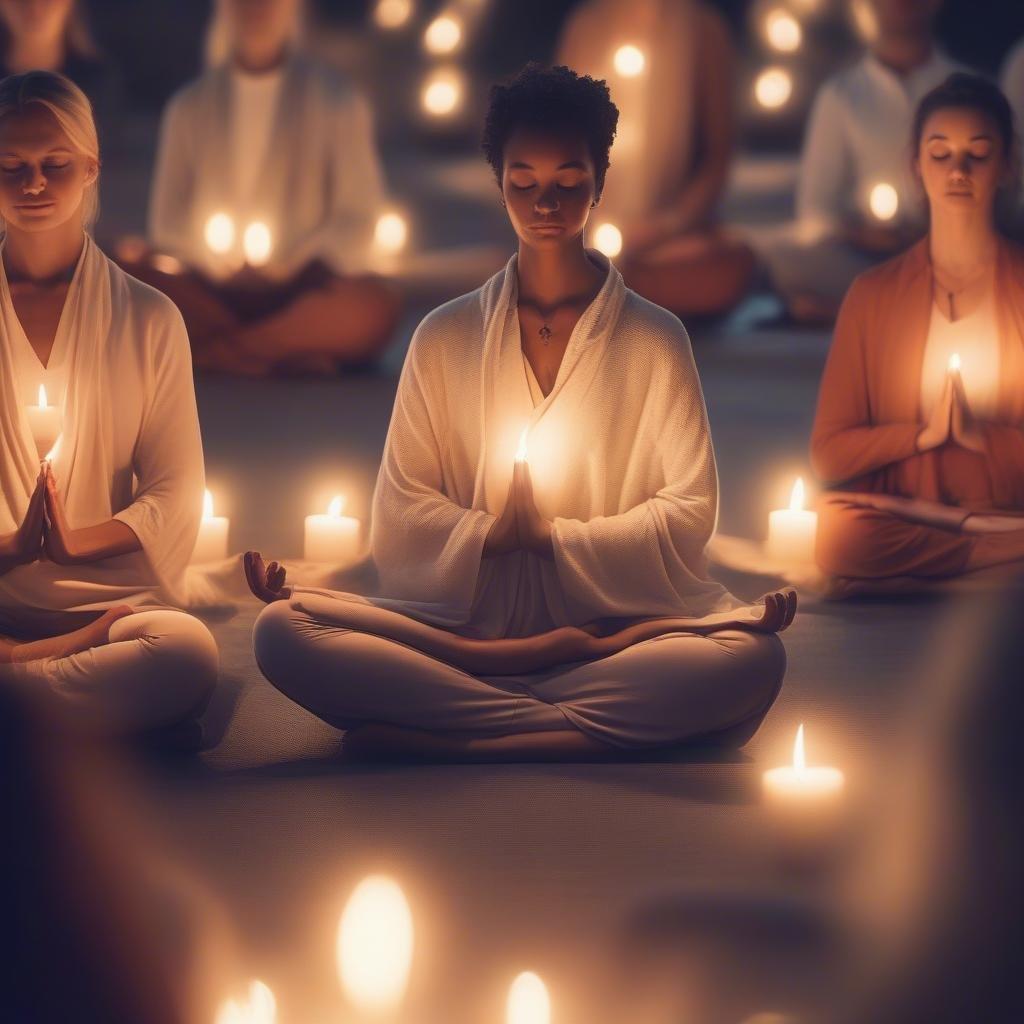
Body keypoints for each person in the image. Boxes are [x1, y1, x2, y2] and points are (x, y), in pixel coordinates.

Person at [246, 65, 793, 762]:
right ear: (497, 180)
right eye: (523, 181)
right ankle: (561, 725)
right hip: (463, 632)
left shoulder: (655, 339)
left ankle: (471, 737)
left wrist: (557, 539)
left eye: (569, 180)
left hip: (608, 631)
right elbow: (401, 508)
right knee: (283, 632)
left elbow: (689, 510)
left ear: (601, 179)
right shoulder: (444, 336)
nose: (546, 202)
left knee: (751, 660)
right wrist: (494, 537)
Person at [0, 71, 218, 736]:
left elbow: (177, 492)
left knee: (186, 656)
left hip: (115, 604)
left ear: (90, 167)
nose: (33, 184)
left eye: (55, 164)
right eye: (11, 167)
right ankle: (45, 690)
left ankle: (19, 683)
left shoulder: (149, 318)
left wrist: (73, 544)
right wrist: (14, 547)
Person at [810, 74, 1024, 598]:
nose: (958, 170)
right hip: (908, 510)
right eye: (940, 153)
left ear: (1006, 167)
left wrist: (983, 438)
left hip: (1009, 507)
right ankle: (994, 560)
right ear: (916, 166)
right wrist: (922, 435)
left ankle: (950, 567)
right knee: (835, 532)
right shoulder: (873, 294)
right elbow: (829, 454)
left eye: (978, 153)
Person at [124, 0, 399, 376]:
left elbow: (358, 214)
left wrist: (298, 264)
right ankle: (284, 351)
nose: (256, 7)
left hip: (303, 292)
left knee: (374, 305)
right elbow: (166, 223)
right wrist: (214, 262)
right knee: (128, 278)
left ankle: (223, 352)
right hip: (209, 290)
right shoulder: (189, 107)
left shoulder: (337, 101)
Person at [556, 0, 754, 319]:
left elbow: (717, 159)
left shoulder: (702, 29)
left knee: (731, 264)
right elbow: (561, 142)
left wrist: (666, 225)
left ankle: (605, 286)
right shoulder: (586, 27)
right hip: (592, 228)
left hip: (668, 243)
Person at [768, 0, 962, 323]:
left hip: (946, 253)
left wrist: (934, 228)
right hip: (866, 257)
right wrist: (863, 234)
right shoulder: (841, 95)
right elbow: (815, 213)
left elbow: (1002, 202)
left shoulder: (965, 89)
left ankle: (856, 312)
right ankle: (913, 307)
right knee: (785, 258)